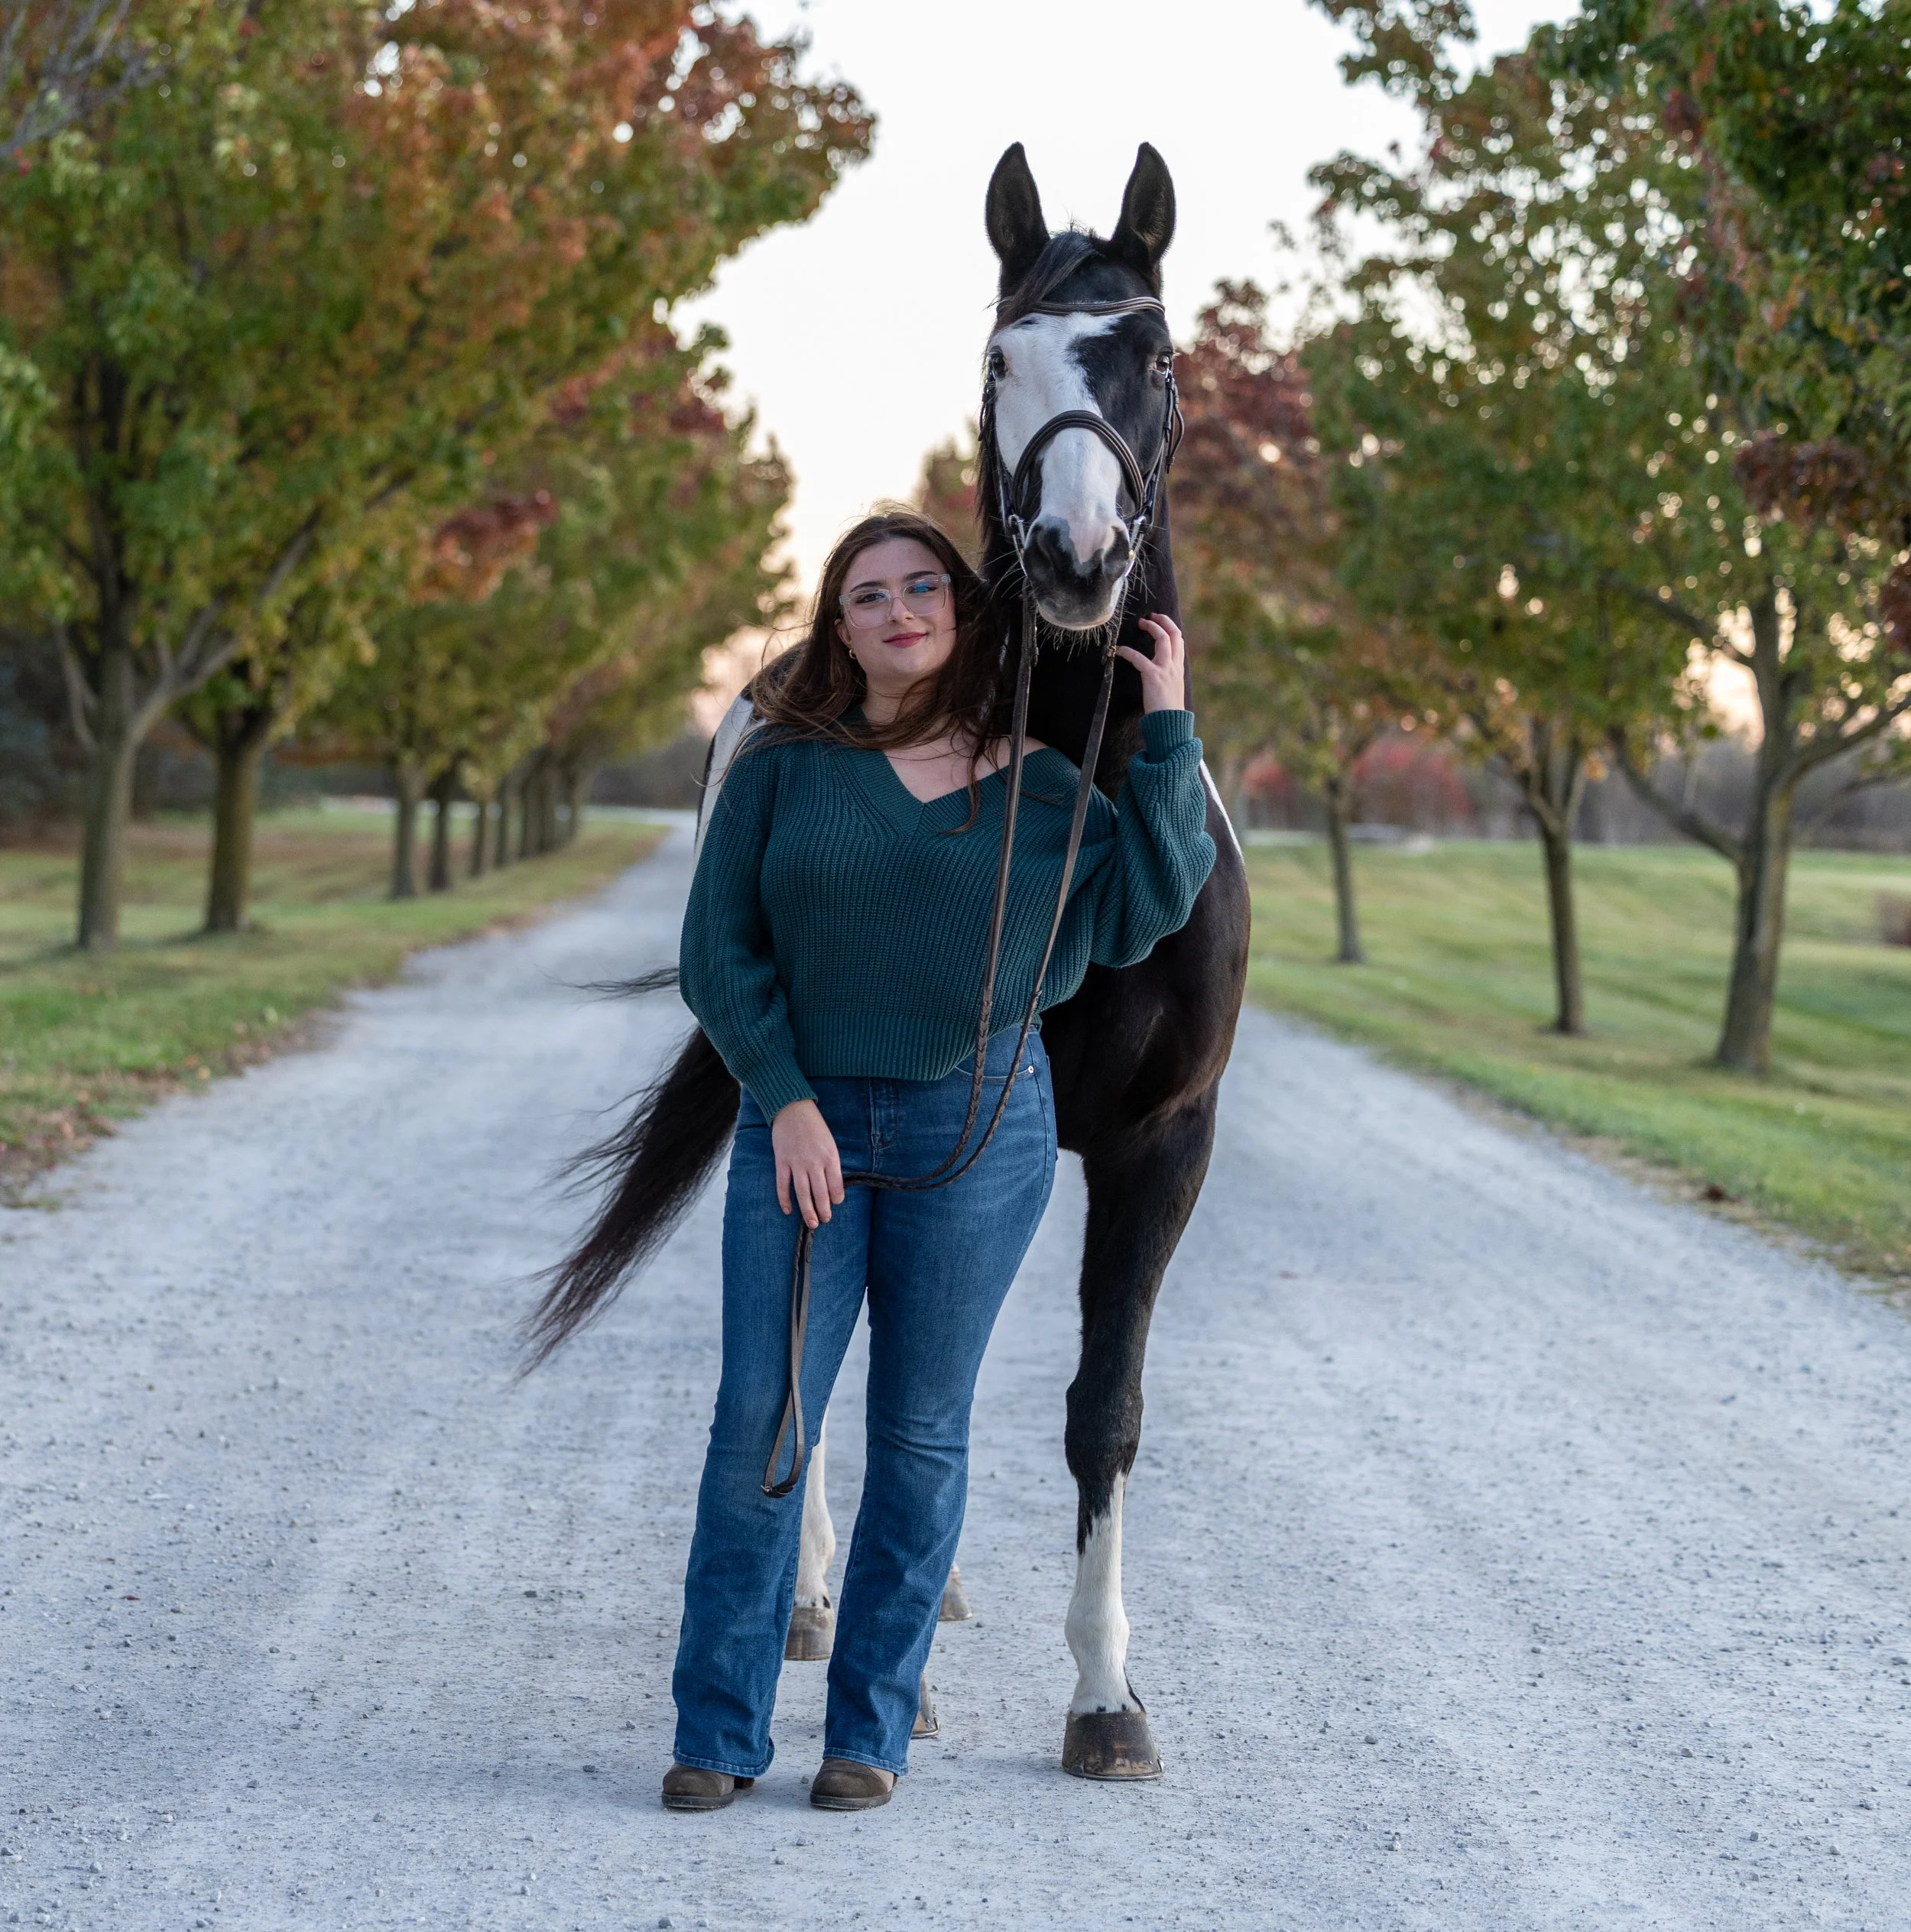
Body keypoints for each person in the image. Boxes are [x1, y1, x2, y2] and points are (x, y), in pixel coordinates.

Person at [663, 509, 1216, 1813]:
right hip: (803, 1136)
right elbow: (717, 955)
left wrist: (1171, 726)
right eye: (868, 594)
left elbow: (1152, 898)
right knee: (766, 1420)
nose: (899, 609)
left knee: (919, 1431)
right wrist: (786, 1102)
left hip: (977, 1127)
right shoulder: (783, 765)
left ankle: (869, 1736)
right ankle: (718, 1734)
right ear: (837, 623)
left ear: (963, 614)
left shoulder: (1038, 784)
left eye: (924, 587)